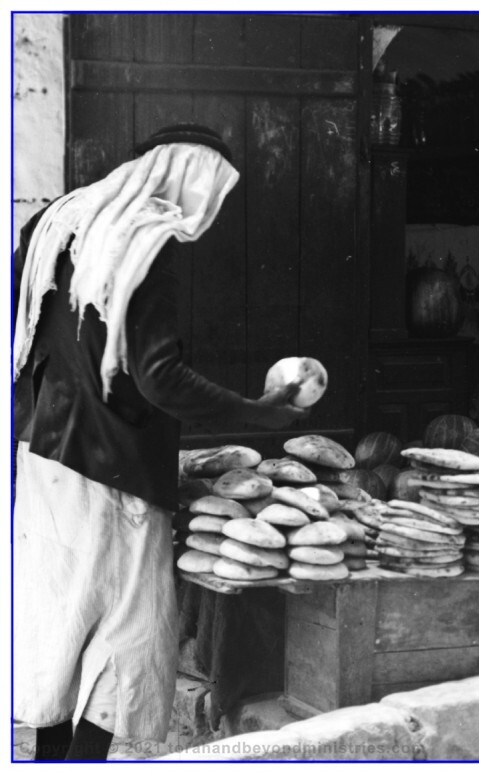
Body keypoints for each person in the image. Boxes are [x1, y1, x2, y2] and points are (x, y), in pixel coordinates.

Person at [12, 124, 309, 761]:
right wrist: (257, 413)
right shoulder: (146, 243)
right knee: (126, 635)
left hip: (45, 457)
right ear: (189, 178)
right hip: (115, 471)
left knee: (61, 624)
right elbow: (159, 376)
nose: (207, 213)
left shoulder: (57, 222)